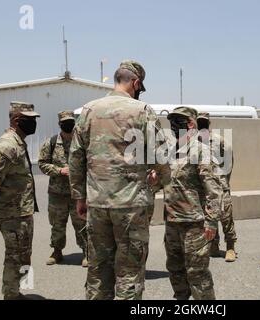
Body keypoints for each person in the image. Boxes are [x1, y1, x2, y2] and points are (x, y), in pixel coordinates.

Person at [69, 60, 170, 300]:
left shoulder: (89, 110)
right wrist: (158, 184)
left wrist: (79, 196)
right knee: (129, 273)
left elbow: (75, 156)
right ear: (135, 83)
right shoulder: (142, 110)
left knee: (98, 272)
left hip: (97, 204)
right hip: (132, 208)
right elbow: (162, 158)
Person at [0, 101, 40, 299]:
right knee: (14, 255)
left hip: (21, 210)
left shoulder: (17, 142)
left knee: (23, 254)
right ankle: (11, 295)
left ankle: (16, 291)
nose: (33, 123)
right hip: (11, 212)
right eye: (29, 120)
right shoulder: (7, 145)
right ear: (16, 120)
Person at [164, 106, 222, 300]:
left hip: (194, 224)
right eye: (171, 121)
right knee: (175, 268)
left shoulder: (201, 151)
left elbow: (213, 190)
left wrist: (212, 221)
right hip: (172, 221)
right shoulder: (172, 152)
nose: (173, 125)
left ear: (191, 124)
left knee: (197, 272)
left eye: (178, 121)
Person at [39, 111, 88, 267]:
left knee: (82, 224)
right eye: (65, 122)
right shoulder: (51, 143)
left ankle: (87, 252)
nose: (68, 125)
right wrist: (59, 171)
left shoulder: (81, 142)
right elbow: (42, 164)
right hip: (57, 194)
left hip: (78, 194)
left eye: (71, 122)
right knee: (57, 224)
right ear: (60, 124)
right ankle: (57, 251)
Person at [197, 112, 237, 262]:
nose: (202, 124)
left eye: (204, 122)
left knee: (226, 216)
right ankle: (213, 247)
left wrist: (223, 182)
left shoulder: (220, 141)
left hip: (220, 184)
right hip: (203, 187)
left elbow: (229, 163)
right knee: (208, 216)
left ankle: (230, 247)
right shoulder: (194, 142)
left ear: (209, 123)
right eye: (199, 122)